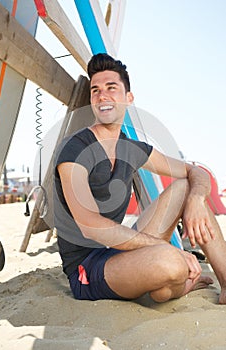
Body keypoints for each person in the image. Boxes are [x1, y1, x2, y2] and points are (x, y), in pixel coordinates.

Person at [54, 53, 226, 304]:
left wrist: (197, 201)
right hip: (88, 267)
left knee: (186, 187)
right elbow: (90, 224)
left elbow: (195, 172)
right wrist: (163, 248)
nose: (102, 95)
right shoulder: (76, 149)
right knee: (171, 263)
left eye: (111, 88)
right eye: (95, 90)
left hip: (119, 251)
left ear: (129, 98)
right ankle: (174, 283)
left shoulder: (132, 149)